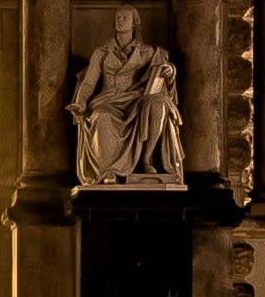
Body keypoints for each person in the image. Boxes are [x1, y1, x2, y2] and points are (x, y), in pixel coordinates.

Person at [72, 9, 183, 187]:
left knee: (159, 104)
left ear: (134, 23)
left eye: (125, 18)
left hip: (135, 101)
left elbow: (162, 71)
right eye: (117, 17)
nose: (120, 21)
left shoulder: (148, 52)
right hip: (108, 101)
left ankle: (147, 159)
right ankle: (109, 171)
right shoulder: (102, 52)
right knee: (101, 118)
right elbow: (88, 83)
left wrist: (170, 72)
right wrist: (80, 103)